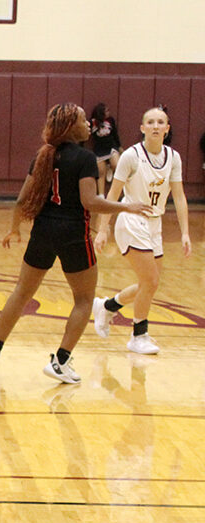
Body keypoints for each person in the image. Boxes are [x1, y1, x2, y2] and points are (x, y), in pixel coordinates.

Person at [0, 103, 153, 382]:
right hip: (74, 234)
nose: (88, 125)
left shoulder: (43, 155)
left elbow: (22, 200)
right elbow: (90, 201)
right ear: (72, 127)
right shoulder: (85, 158)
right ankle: (61, 361)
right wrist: (127, 207)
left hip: (43, 231)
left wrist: (14, 230)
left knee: (22, 292)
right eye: (84, 120)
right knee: (84, 300)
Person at [91, 106, 192, 354]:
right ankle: (139, 335)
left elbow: (178, 197)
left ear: (167, 128)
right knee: (151, 280)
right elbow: (113, 194)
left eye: (160, 122)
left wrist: (185, 232)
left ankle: (106, 306)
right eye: (150, 122)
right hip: (131, 219)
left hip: (154, 223)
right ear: (142, 128)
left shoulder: (174, 157)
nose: (156, 126)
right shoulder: (131, 156)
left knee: (149, 284)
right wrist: (103, 229)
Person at [88, 103, 121, 196]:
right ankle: (101, 195)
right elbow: (86, 135)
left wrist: (119, 146)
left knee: (117, 166)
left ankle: (114, 193)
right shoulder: (92, 122)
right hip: (99, 150)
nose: (109, 112)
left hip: (111, 147)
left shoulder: (111, 120)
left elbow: (115, 134)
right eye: (106, 111)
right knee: (101, 172)